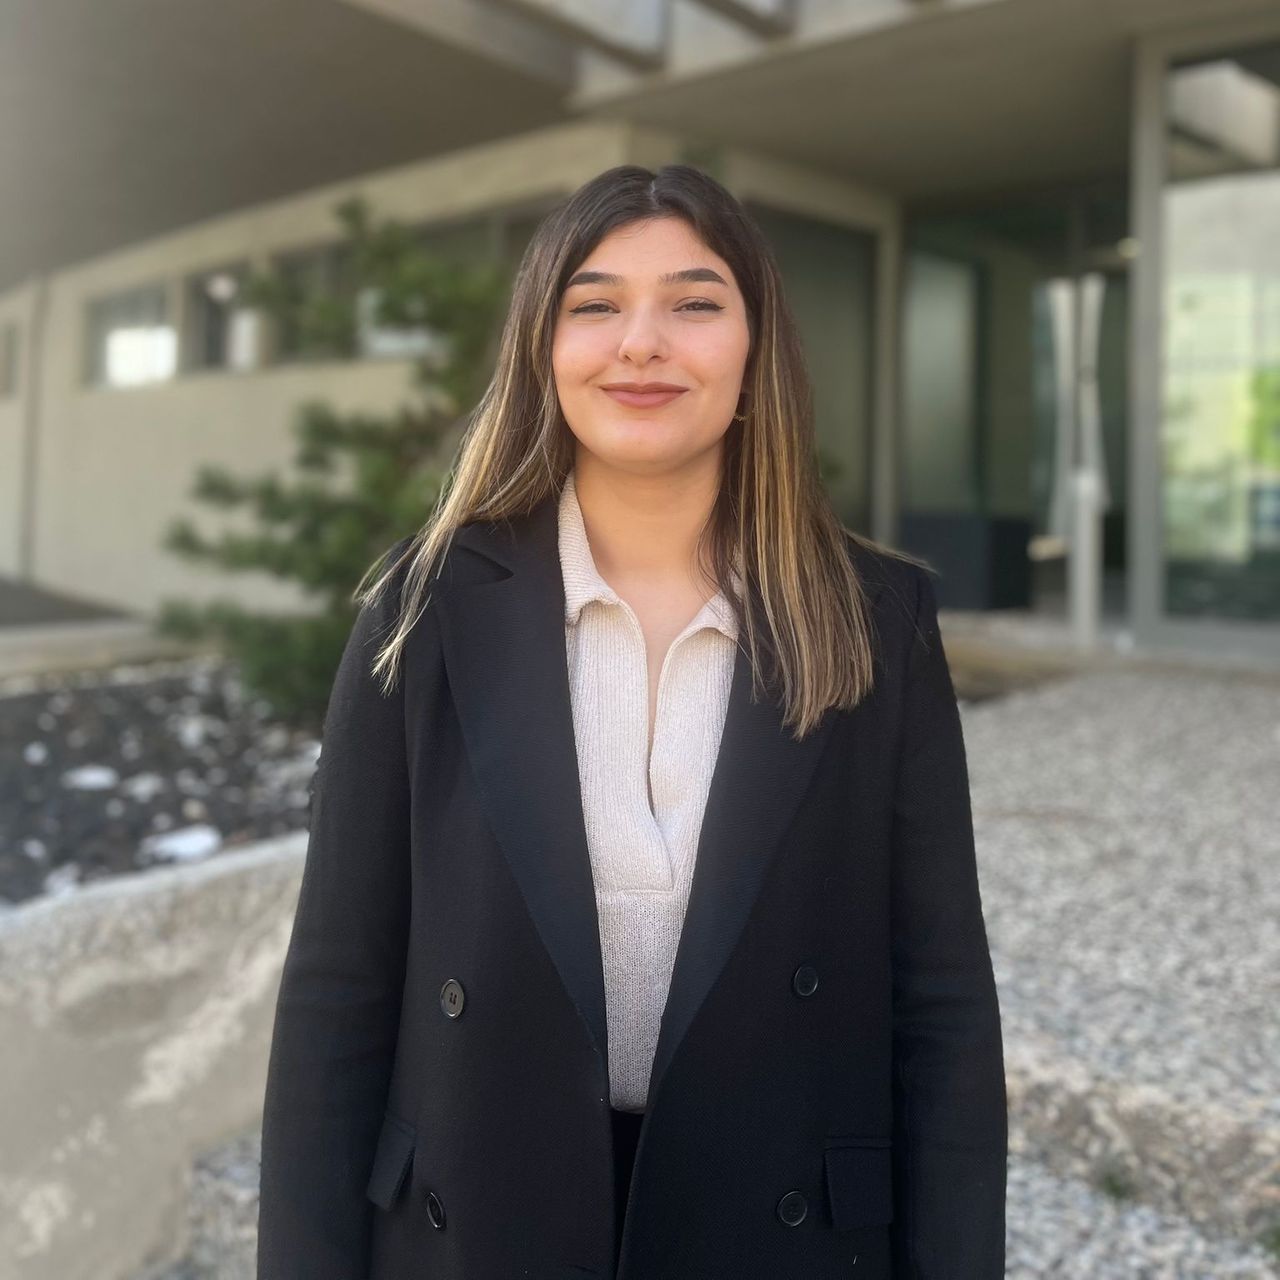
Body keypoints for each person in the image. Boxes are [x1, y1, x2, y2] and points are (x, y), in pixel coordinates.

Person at [257, 163, 1007, 1279]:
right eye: (595, 305)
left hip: (778, 1228)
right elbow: (336, 995)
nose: (641, 343)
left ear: (754, 347)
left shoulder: (872, 621)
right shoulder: (423, 610)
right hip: (476, 1225)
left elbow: (941, 1007)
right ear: (543, 348)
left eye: (694, 303)